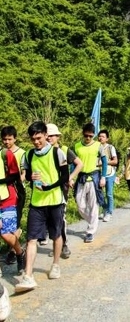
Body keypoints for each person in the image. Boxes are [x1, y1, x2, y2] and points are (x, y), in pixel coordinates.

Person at [15, 121, 68, 292]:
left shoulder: (57, 152)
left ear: (46, 135)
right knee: (31, 238)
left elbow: (65, 176)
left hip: (55, 201)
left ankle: (55, 264)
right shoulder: (29, 155)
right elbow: (28, 175)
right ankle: (28, 276)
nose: (36, 142)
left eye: (39, 138)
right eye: (33, 139)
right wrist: (31, 176)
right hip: (37, 203)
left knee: (56, 234)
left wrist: (49, 186)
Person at [46, 123, 83, 258]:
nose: (49, 138)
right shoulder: (42, 151)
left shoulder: (64, 150)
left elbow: (79, 164)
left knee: (61, 216)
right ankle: (57, 246)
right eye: (47, 135)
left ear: (57, 136)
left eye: (52, 135)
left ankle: (64, 245)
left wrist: (70, 177)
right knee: (50, 218)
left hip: (62, 188)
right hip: (46, 190)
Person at [73, 123, 107, 243]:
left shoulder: (98, 146)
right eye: (86, 135)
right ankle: (93, 220)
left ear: (93, 135)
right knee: (80, 204)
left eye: (90, 136)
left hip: (94, 177)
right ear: (83, 134)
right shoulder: (77, 146)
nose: (88, 138)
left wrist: (103, 177)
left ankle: (90, 232)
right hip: (81, 177)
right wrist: (72, 177)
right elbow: (74, 163)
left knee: (94, 205)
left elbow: (104, 161)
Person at [0, 128, 25, 275]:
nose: (6, 141)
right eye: (4, 139)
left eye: (9, 139)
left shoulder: (5, 154)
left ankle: (19, 253)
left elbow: (15, 176)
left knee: (5, 234)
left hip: (8, 198)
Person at [98, 130, 118, 222]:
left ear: (107, 138)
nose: (100, 138)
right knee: (99, 193)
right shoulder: (96, 147)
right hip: (98, 172)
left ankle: (109, 212)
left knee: (109, 193)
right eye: (99, 136)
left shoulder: (110, 147)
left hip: (110, 173)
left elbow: (115, 161)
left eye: (103, 136)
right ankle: (105, 209)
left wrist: (103, 163)